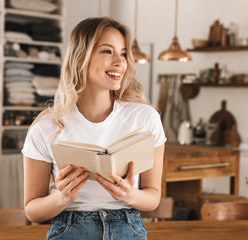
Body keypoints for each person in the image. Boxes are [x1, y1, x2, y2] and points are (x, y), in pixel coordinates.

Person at [22, 17, 166, 239]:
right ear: (80, 58)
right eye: (108, 51)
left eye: (124, 53)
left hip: (128, 227)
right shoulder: (45, 127)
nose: (120, 62)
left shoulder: (146, 118)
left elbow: (153, 197)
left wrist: (129, 195)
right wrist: (62, 197)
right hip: (69, 229)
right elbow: (32, 211)